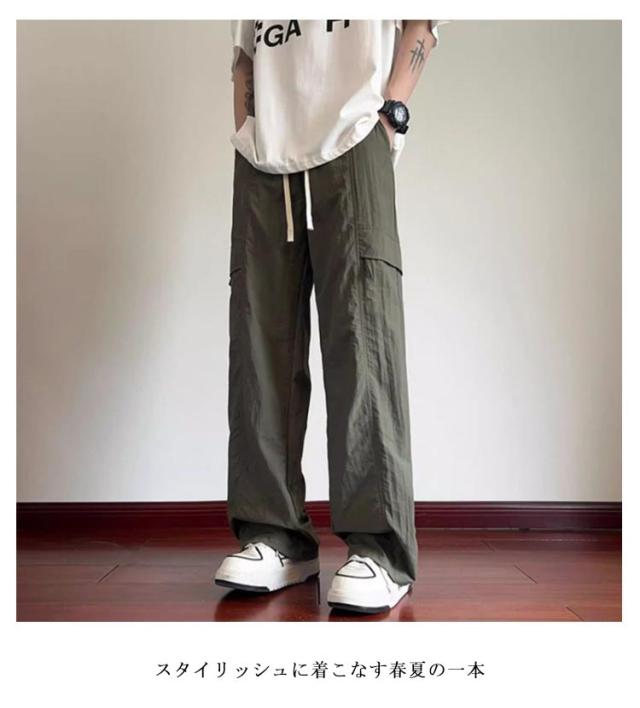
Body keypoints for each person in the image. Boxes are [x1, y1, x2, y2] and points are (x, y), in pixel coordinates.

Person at [214, 19, 447, 614]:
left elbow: (421, 21)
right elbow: (244, 51)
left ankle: (380, 549)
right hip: (263, 155)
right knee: (259, 343)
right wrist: (248, 130)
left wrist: (391, 114)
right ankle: (276, 535)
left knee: (363, 339)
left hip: (354, 133)